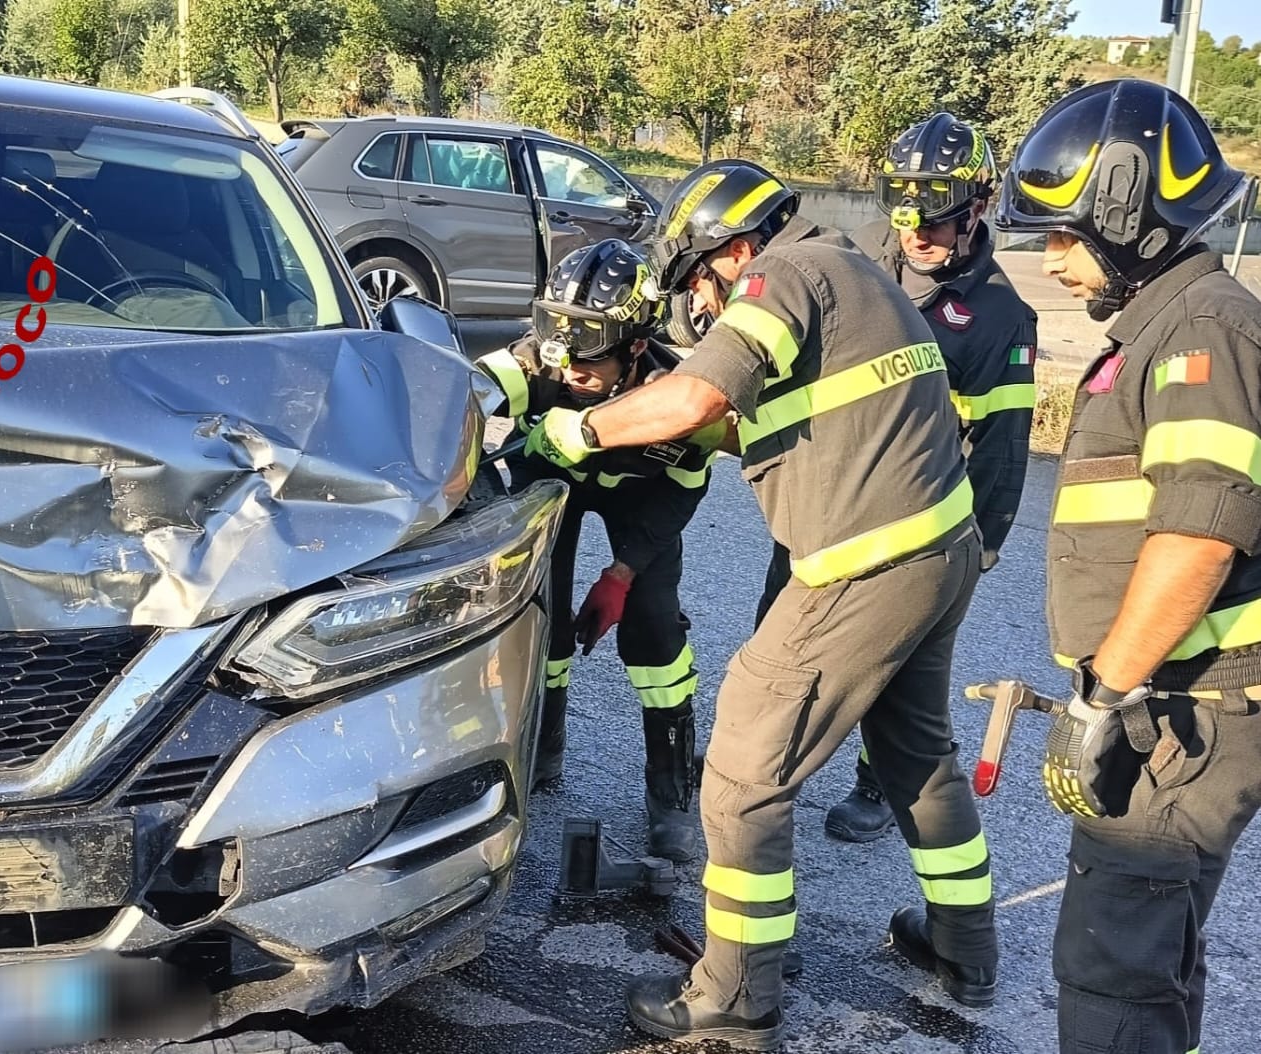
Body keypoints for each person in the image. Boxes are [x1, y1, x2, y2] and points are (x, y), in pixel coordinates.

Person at [526, 159, 999, 1046]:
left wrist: (578, 428)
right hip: (941, 552)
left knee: (744, 772)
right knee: (918, 757)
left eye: (697, 283)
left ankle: (735, 995)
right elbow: (755, 419)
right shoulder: (857, 272)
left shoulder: (782, 273)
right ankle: (963, 947)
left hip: (863, 566)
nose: (698, 305)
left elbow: (698, 393)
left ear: (731, 250)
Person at [992, 77, 1261, 1054]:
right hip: (1176, 698)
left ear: (1124, 214)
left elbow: (1197, 537)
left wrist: (1101, 696)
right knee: (1151, 962)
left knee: (1112, 964)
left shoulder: (1200, 333)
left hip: (1185, 711)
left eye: (1063, 236)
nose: (1050, 260)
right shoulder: (1165, 328)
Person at [807, 112, 1040, 843]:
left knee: (898, 663)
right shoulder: (862, 260)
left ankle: (878, 783)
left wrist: (982, 544)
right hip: (830, 498)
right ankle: (770, 760)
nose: (915, 234)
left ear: (976, 207)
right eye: (904, 216)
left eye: (934, 220)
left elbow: (1001, 444)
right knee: (783, 631)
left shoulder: (1000, 316)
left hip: (917, 519)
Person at [474, 238, 725, 862]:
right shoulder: (542, 362)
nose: (568, 373)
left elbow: (682, 493)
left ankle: (670, 792)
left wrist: (622, 573)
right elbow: (463, 392)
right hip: (550, 482)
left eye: (588, 362)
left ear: (635, 347)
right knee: (541, 618)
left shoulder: (675, 398)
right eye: (559, 356)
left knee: (654, 632)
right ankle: (544, 746)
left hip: (644, 497)